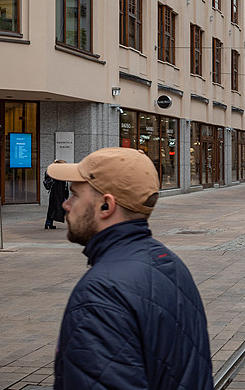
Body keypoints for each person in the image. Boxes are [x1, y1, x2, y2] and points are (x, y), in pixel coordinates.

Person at [48, 148, 213, 389]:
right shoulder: (169, 263)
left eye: (74, 195)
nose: (66, 204)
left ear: (106, 206)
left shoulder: (100, 293)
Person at [43, 160, 68, 229]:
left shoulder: (57, 172)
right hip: (57, 193)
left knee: (53, 209)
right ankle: (75, 223)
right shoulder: (56, 173)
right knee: (66, 208)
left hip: (58, 193)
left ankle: (48, 223)